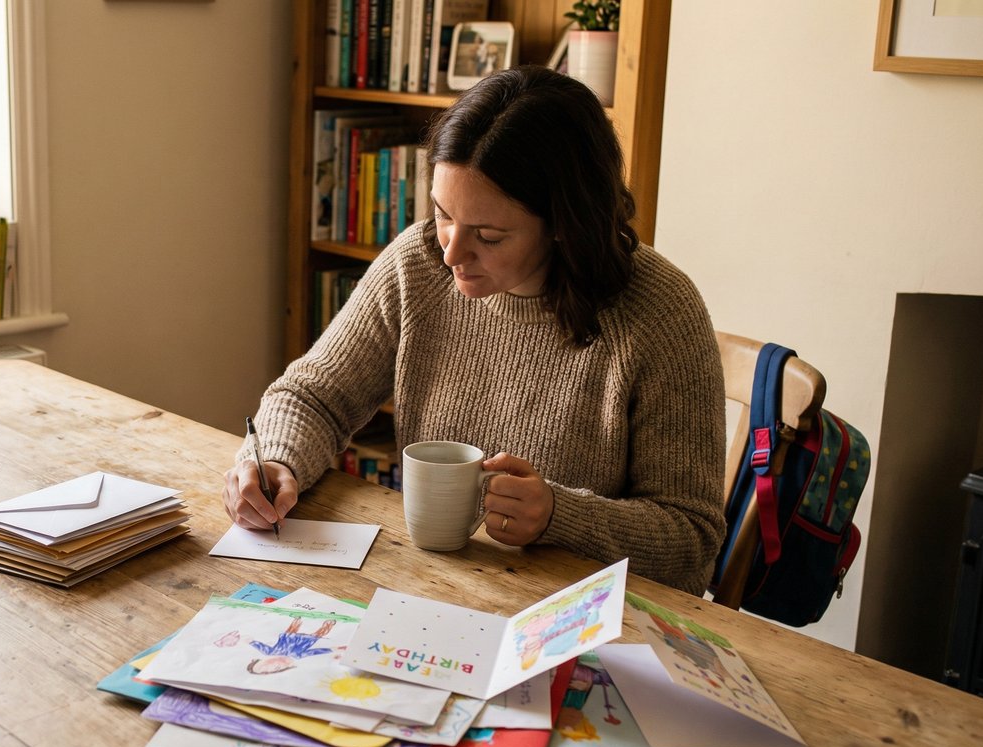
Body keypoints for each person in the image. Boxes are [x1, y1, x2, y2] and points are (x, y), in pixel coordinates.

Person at [222, 65, 725, 597]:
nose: (451, 252)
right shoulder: (417, 264)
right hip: (433, 588)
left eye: (488, 234)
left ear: (563, 224)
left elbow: (692, 538)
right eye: (443, 214)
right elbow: (313, 396)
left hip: (579, 620)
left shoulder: (660, 312)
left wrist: (560, 515)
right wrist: (275, 458)